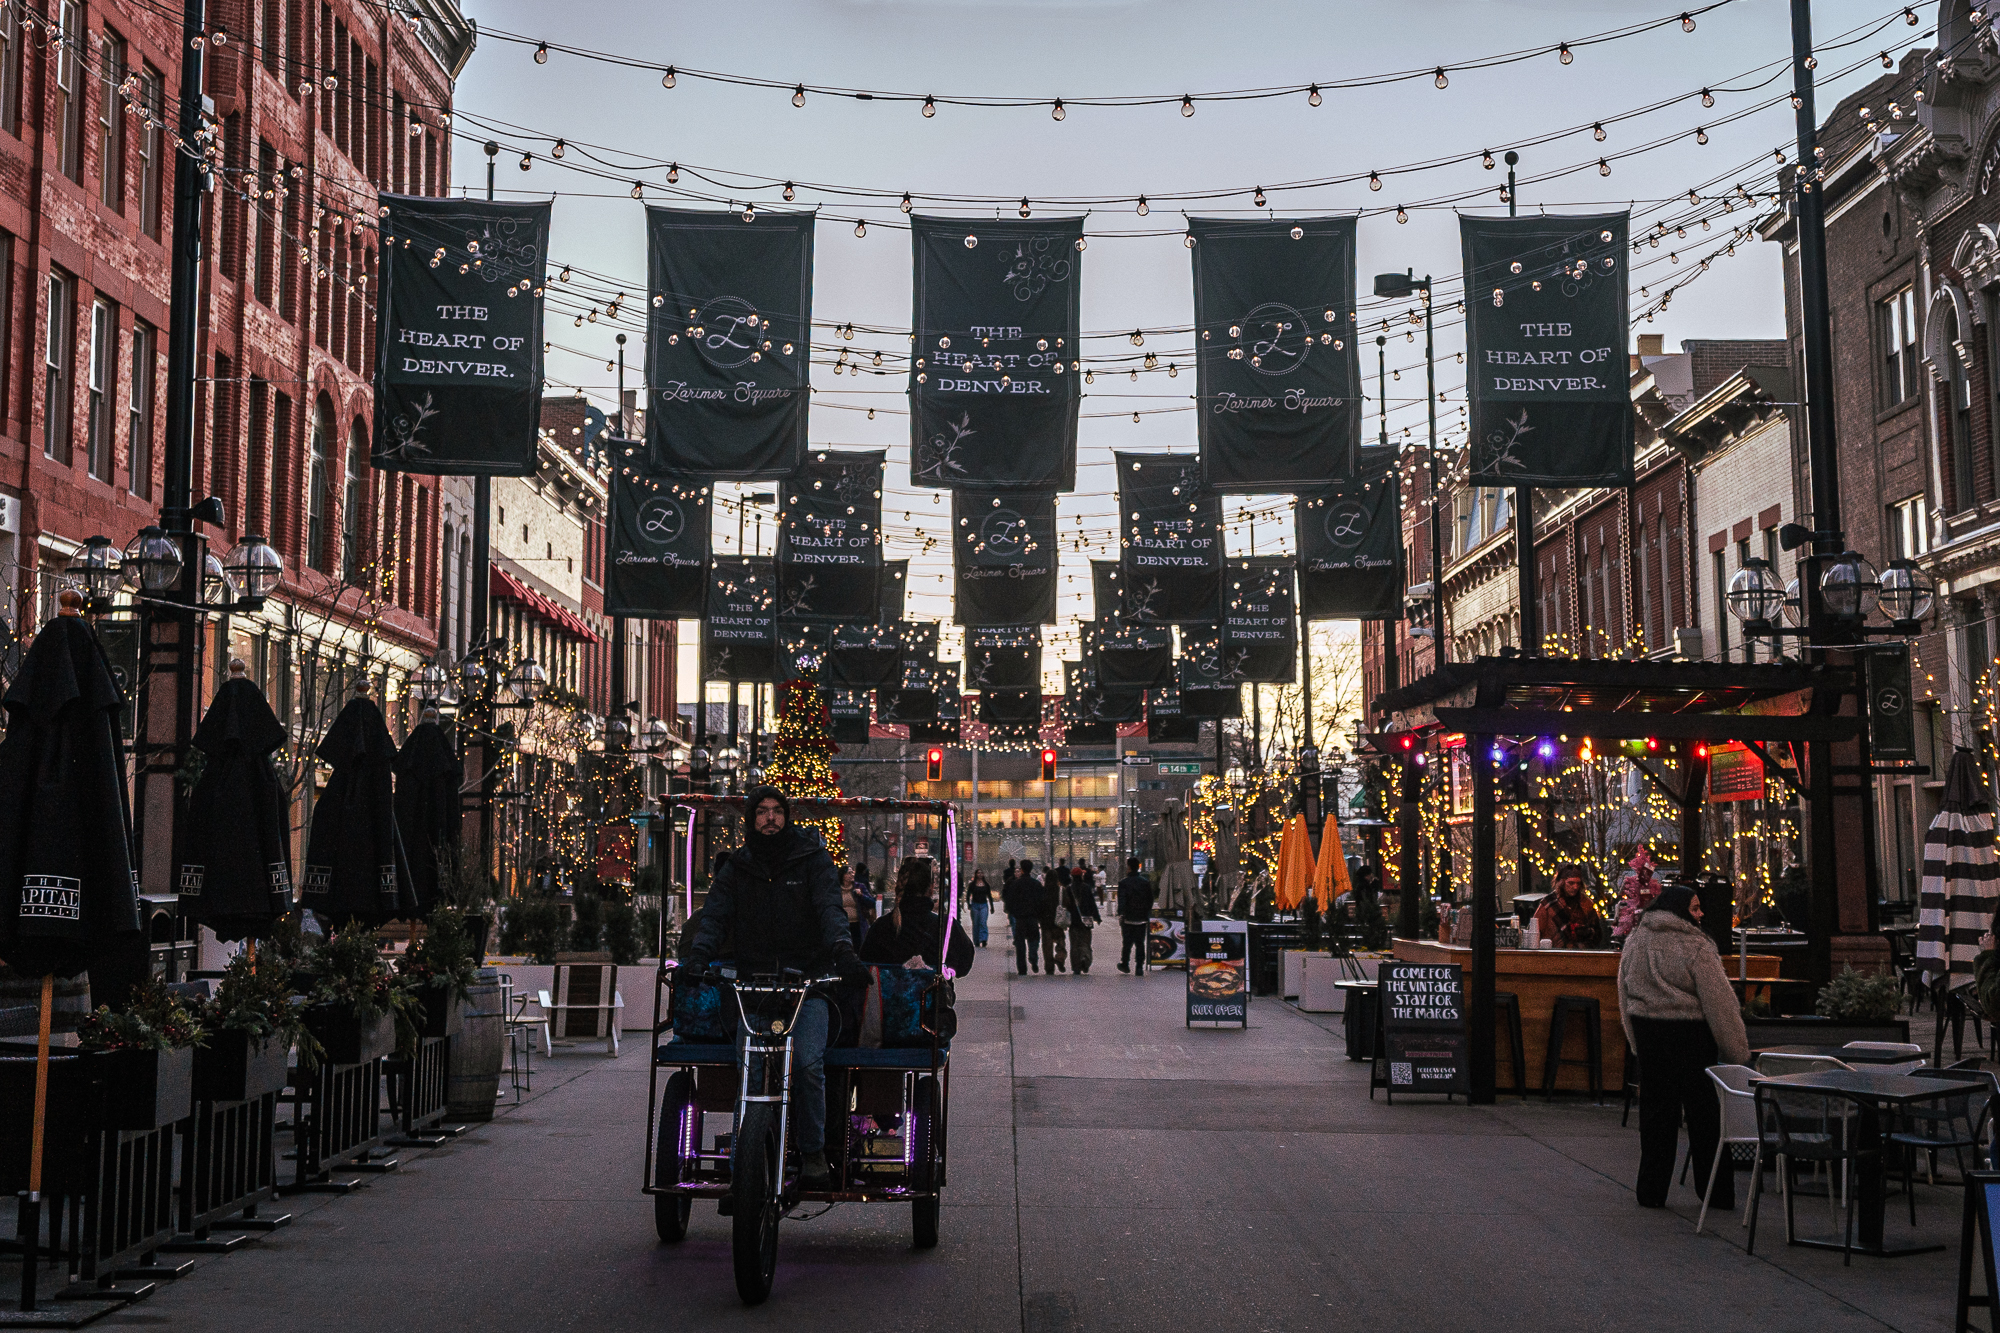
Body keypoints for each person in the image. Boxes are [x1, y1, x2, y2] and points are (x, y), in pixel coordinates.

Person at [682, 786, 869, 1189]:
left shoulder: (812, 859)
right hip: (753, 985)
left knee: (807, 1064)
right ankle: (742, 1173)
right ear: (752, 819)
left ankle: (814, 1153)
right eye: (762, 811)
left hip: (808, 984)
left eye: (777, 811)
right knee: (749, 1070)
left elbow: (830, 910)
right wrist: (698, 956)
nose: (770, 818)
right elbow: (714, 916)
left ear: (787, 816)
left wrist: (843, 952)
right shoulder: (738, 866)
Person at [1617, 883, 1750, 1212]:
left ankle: (1651, 1190)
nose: (1700, 914)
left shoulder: (1636, 940)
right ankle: (1716, 1193)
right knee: (1704, 1116)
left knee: (1655, 1115)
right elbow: (1719, 1004)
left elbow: (1624, 993)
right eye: (1694, 908)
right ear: (1680, 911)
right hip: (1691, 1036)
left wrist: (1635, 1042)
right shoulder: (1697, 945)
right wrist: (1737, 1052)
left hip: (1649, 1034)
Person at [861, 858, 975, 975]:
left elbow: (866, 964)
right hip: (934, 986)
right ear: (931, 889)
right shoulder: (946, 927)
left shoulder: (881, 928)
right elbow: (963, 965)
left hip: (890, 986)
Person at [1534, 864, 1607, 949]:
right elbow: (1534, 932)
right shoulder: (1548, 904)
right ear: (1562, 883)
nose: (1575, 887)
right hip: (1554, 953)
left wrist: (1583, 932)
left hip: (1581, 953)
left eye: (1578, 883)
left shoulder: (1586, 903)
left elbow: (1597, 934)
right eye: (1571, 883)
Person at [1611, 847, 1663, 945]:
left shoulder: (1654, 886)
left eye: (1648, 872)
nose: (1646, 875)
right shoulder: (1630, 882)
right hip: (1632, 918)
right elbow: (1621, 897)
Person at [1116, 859, 1156, 975]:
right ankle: (1139, 966)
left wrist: (1121, 913)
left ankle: (1125, 963)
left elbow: (1122, 899)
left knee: (1127, 942)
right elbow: (1150, 899)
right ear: (1138, 867)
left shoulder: (1123, 883)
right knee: (1140, 942)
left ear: (1128, 867)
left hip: (1128, 917)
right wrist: (1147, 912)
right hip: (1142, 917)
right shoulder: (1145, 882)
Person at [1003, 860, 1043, 975]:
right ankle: (1033, 957)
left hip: (1020, 918)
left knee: (1020, 943)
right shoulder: (1036, 884)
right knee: (1034, 939)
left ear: (1021, 869)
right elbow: (1041, 901)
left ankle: (1022, 968)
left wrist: (1013, 912)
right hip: (1032, 917)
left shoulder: (1016, 884)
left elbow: (1010, 900)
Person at [1062, 861, 1102, 974]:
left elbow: (1065, 905)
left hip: (1074, 920)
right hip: (1086, 919)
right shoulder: (1086, 887)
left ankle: (1076, 966)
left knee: (1074, 944)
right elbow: (1092, 904)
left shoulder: (1068, 889)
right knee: (1085, 942)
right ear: (1081, 876)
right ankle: (1085, 959)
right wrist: (1097, 917)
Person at [838, 862, 876, 951]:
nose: (852, 874)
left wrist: (861, 895)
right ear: (843, 876)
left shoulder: (859, 886)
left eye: (852, 872)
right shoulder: (837, 889)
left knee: (858, 948)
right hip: (842, 924)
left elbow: (871, 903)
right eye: (849, 873)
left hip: (857, 924)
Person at [1038, 860, 1068, 974]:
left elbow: (1038, 906)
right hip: (1058, 921)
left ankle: (1049, 967)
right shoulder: (1061, 890)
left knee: (1047, 946)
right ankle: (1060, 958)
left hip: (1045, 922)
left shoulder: (1042, 891)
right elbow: (1067, 903)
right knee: (1061, 942)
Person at [967, 870, 993, 947]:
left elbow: (989, 896)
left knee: (983, 922)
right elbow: (968, 894)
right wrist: (968, 904)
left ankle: (983, 939)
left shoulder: (986, 885)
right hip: (975, 905)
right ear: (976, 874)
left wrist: (992, 906)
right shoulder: (972, 885)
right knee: (975, 923)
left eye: (981, 873)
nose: (980, 874)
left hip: (983, 905)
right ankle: (976, 940)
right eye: (978, 873)